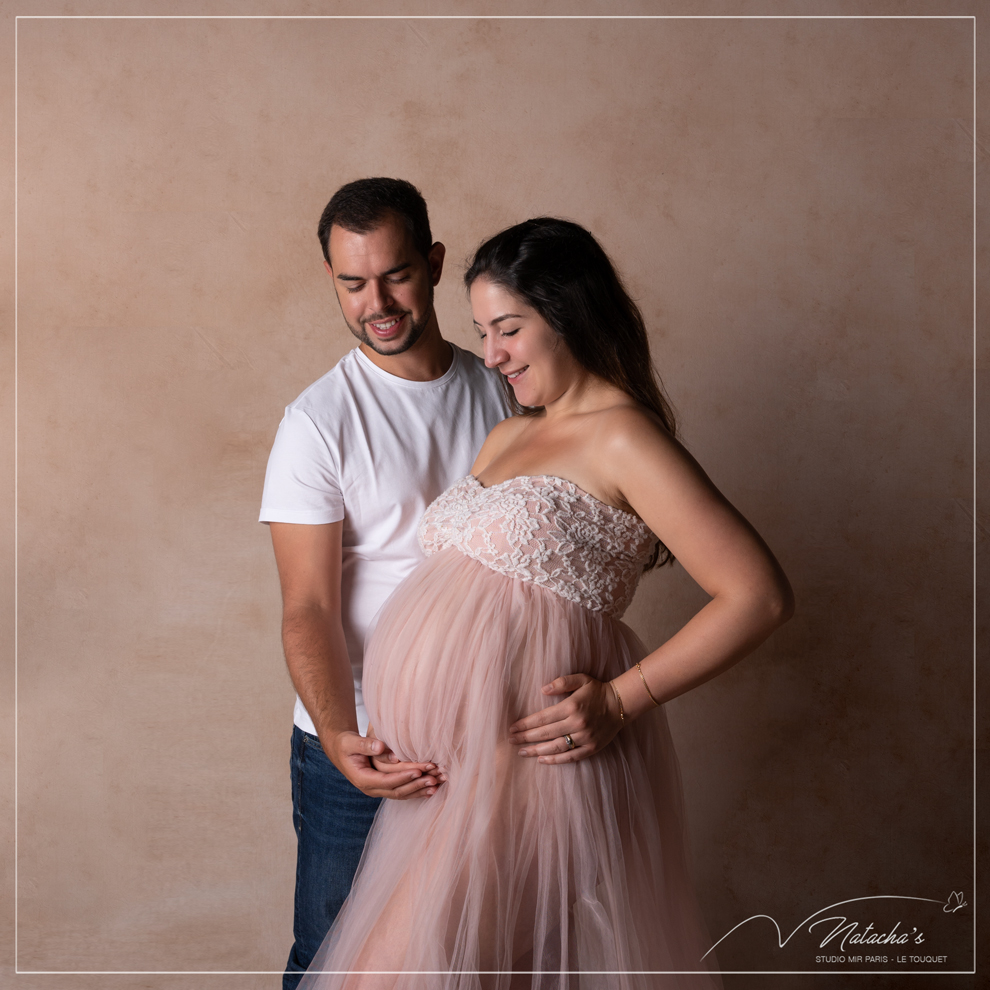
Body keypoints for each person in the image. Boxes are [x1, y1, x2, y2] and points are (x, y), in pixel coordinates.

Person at [299, 218, 794, 990]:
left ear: (568, 313)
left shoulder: (624, 438)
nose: (491, 353)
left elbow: (758, 596)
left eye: (509, 329)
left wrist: (622, 700)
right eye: (482, 331)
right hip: (452, 780)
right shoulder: (506, 437)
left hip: (535, 771)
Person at [259, 178, 509, 989]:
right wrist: (338, 740)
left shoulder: (504, 391)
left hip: (484, 732)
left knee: (468, 956)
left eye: (395, 274)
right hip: (366, 742)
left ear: (434, 265)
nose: (378, 302)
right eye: (352, 282)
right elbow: (308, 607)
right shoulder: (318, 422)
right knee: (331, 960)